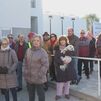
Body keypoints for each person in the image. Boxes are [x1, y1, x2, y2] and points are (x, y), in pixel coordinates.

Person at [23, 35, 49, 101]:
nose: (36, 42)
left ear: (40, 42)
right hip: (29, 77)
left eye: (38, 40)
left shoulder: (43, 52)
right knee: (31, 95)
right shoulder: (28, 50)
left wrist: (39, 75)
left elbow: (45, 65)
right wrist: (25, 71)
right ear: (32, 41)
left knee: (41, 95)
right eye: (34, 40)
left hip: (39, 78)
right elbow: (25, 62)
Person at [54, 36, 77, 100]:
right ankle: (58, 94)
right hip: (61, 67)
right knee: (60, 82)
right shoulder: (57, 49)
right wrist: (62, 62)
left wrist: (66, 51)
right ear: (59, 41)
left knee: (67, 81)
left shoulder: (70, 47)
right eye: (61, 40)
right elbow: (56, 59)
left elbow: (73, 54)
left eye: (64, 40)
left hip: (69, 67)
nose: (62, 41)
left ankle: (66, 93)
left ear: (66, 41)